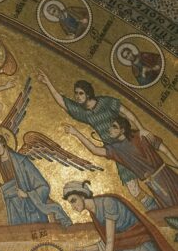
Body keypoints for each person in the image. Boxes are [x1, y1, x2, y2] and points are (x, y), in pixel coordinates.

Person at [38, 71, 155, 208]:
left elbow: (127, 113)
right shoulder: (85, 114)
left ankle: (168, 204)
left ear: (88, 93)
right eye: (76, 93)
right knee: (133, 190)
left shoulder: (105, 102)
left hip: (128, 142)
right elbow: (64, 103)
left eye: (80, 93)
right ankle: (157, 210)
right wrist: (48, 84)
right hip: (116, 152)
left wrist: (141, 129)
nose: (77, 96)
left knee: (151, 177)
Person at [65, 117, 178, 210]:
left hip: (166, 174)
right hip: (154, 183)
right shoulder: (116, 149)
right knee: (171, 208)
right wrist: (76, 133)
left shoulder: (140, 136)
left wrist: (175, 162)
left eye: (114, 127)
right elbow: (95, 150)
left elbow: (163, 149)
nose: (110, 130)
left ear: (122, 130)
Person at [0, 131, 72, 227]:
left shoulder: (22, 161)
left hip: (30, 206)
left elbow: (43, 185)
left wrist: (27, 194)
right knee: (20, 234)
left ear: (2, 142)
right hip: (13, 207)